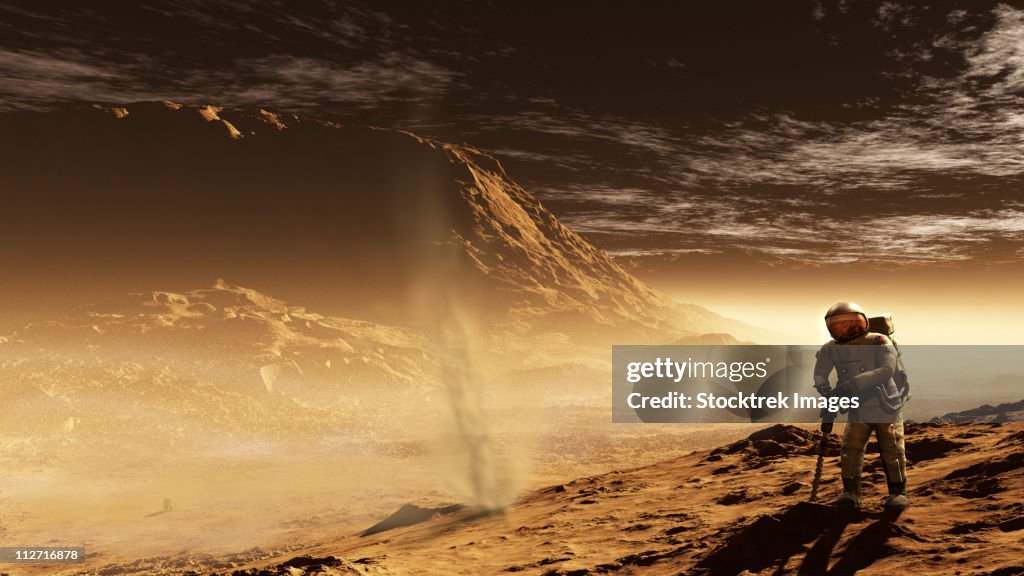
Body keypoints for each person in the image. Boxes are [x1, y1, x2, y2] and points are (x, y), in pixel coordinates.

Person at [813, 301, 909, 511]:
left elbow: (886, 369)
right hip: (858, 408)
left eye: (852, 323)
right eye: (839, 326)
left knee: (892, 449)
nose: (847, 329)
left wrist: (851, 385)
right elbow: (820, 372)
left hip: (885, 405)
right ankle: (851, 493)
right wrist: (825, 389)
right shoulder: (830, 349)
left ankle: (898, 493)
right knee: (850, 449)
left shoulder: (879, 341)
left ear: (863, 322)